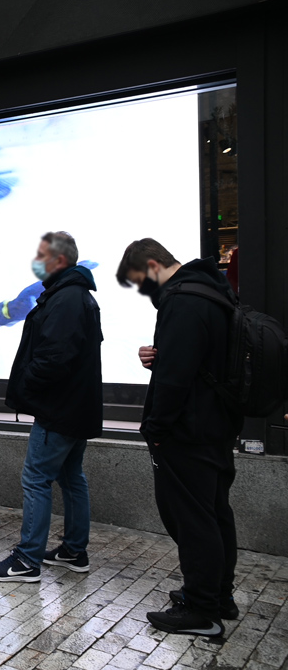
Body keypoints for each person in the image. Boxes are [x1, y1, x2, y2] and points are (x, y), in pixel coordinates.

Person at [117, 238, 242, 637]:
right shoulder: (214, 291)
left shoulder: (183, 300)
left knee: (192, 519)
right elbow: (198, 359)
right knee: (214, 512)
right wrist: (161, 354)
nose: (143, 291)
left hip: (188, 430)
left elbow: (176, 379)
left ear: (154, 265)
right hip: (216, 424)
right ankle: (218, 595)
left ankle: (202, 611)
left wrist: (155, 428)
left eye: (141, 281)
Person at [0, 231, 102, 582]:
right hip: (75, 406)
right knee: (71, 477)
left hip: (58, 409)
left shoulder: (66, 300)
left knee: (36, 479)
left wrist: (26, 383)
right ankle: (74, 550)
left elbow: (54, 358)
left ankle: (27, 559)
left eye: (41, 255)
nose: (36, 261)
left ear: (59, 261)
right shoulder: (75, 296)